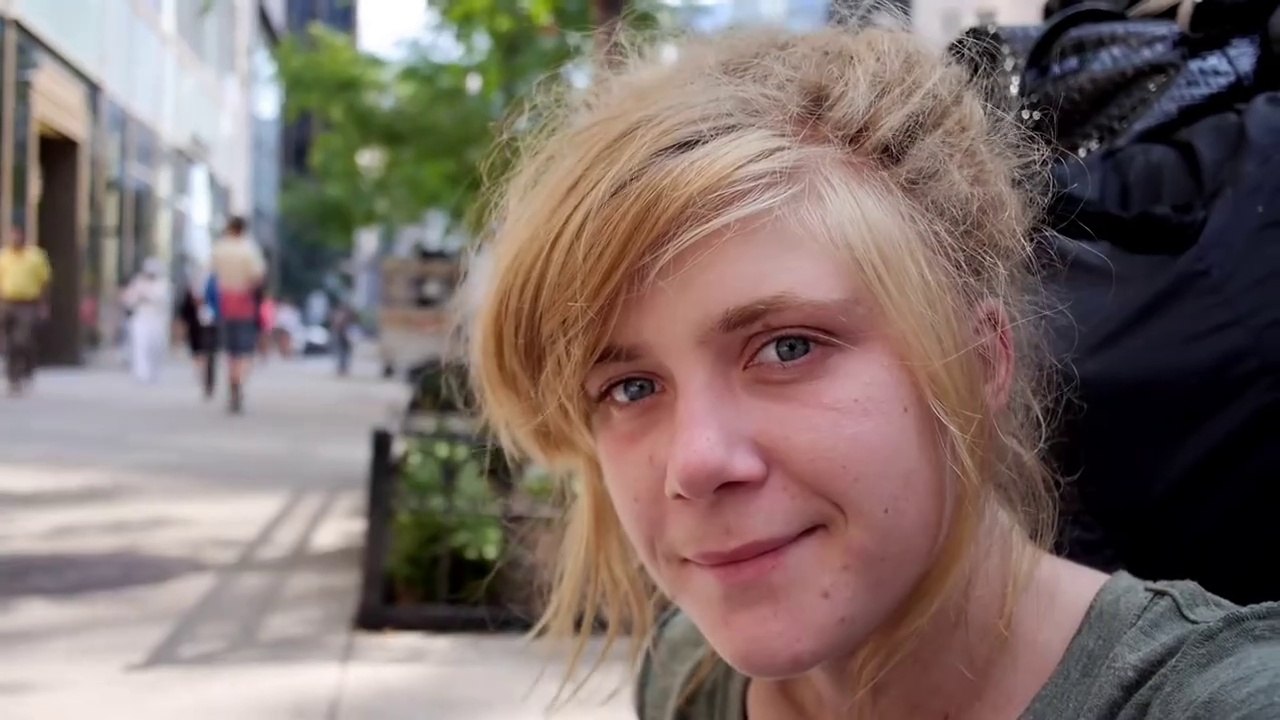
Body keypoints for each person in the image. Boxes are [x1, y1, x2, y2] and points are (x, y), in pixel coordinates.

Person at [468, 23, 1280, 720]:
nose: (696, 463)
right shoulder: (689, 672)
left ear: (981, 359)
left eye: (788, 347)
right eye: (630, 388)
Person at [209, 216, 266, 413]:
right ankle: (238, 380)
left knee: (231, 349)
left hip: (225, 301)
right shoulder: (249, 249)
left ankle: (232, 378)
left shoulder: (220, 248)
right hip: (245, 301)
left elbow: (210, 273)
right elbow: (258, 276)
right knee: (244, 349)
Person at [0, 227, 51, 396]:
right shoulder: (4, 257)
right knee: (8, 341)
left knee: (22, 339)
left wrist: (43, 304)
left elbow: (45, 282)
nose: (14, 239)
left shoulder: (35, 257)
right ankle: (13, 377)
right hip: (7, 302)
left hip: (28, 303)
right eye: (11, 236)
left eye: (17, 235)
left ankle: (26, 370)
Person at [120, 257, 172, 384]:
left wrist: (146, 295)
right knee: (140, 346)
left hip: (157, 320)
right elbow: (128, 300)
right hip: (141, 319)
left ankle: (154, 372)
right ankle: (142, 373)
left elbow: (162, 300)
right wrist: (136, 295)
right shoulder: (137, 282)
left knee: (156, 346)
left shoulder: (163, 284)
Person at [176, 270, 218, 398]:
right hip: (195, 326)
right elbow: (184, 310)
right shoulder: (190, 291)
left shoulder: (214, 285)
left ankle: (206, 376)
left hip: (210, 323)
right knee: (198, 351)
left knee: (208, 352)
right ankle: (201, 372)